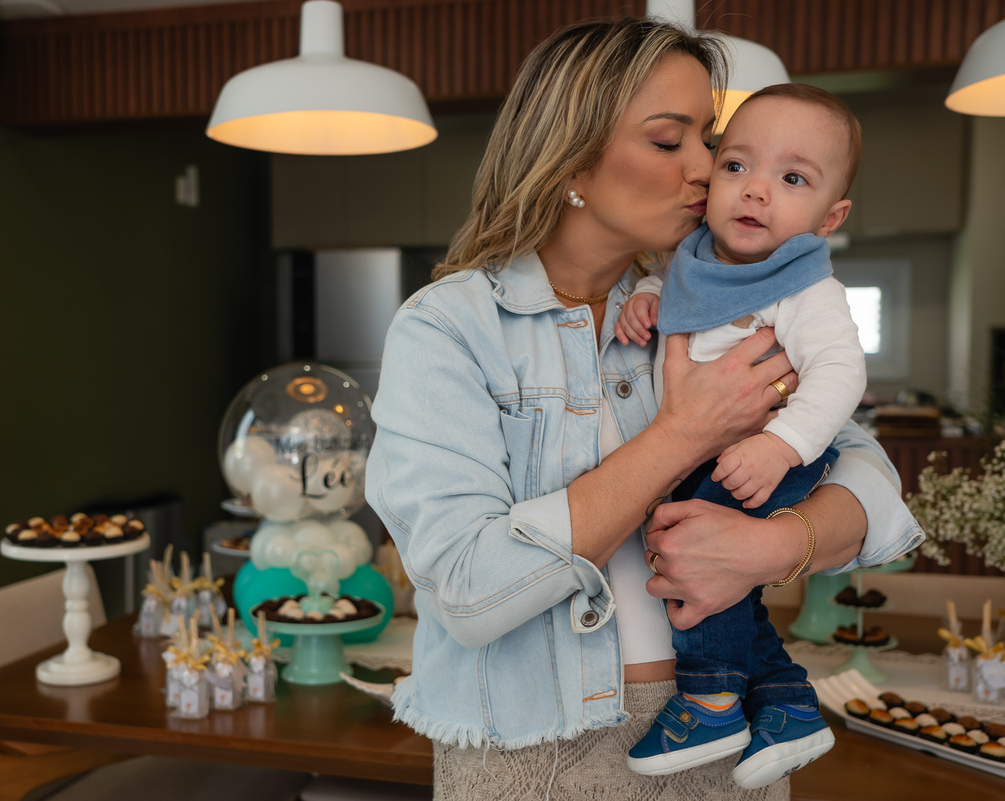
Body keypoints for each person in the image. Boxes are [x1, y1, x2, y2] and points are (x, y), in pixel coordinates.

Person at [365, 18, 923, 801]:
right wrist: (681, 434)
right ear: (574, 161)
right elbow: (467, 589)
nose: (709, 168)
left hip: (722, 734)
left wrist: (773, 546)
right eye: (671, 142)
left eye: (709, 139)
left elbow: (871, 484)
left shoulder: (700, 307)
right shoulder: (449, 326)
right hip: (535, 751)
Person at [616, 84, 866, 788]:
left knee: (694, 558)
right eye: (736, 167)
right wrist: (644, 298)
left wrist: (781, 443)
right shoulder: (697, 259)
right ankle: (787, 704)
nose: (755, 192)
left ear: (830, 216)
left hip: (768, 454)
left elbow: (842, 370)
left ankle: (712, 697)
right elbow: (681, 304)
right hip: (717, 447)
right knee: (728, 578)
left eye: (792, 179)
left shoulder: (803, 287)